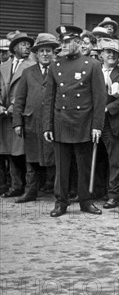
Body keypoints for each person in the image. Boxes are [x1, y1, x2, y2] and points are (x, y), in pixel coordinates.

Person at [43, 25, 107, 217]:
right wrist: (48, 125)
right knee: (61, 167)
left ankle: (86, 201)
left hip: (83, 123)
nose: (64, 45)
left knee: (84, 165)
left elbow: (99, 98)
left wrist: (97, 126)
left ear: (78, 43)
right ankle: (61, 202)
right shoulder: (56, 65)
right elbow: (50, 98)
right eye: (62, 42)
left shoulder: (92, 65)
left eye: (67, 42)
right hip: (61, 122)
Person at [11, 33, 59, 203]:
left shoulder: (58, 70)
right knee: (31, 159)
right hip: (31, 122)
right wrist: (17, 122)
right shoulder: (28, 72)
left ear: (54, 53)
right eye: (42, 51)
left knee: (55, 158)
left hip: (53, 122)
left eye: (49, 51)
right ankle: (30, 192)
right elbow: (20, 99)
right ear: (36, 54)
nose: (45, 54)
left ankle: (58, 192)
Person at [97, 40, 119, 209]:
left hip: (114, 123)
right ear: (100, 55)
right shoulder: (94, 71)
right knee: (96, 159)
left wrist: (106, 108)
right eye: (107, 52)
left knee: (115, 160)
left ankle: (113, 195)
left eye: (114, 53)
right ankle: (94, 191)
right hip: (94, 123)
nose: (111, 55)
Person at [0, 31, 35, 199]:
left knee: (24, 153)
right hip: (4, 116)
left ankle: (29, 189)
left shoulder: (32, 66)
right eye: (23, 44)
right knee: (9, 152)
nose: (27, 47)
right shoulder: (3, 65)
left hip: (21, 114)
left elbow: (29, 92)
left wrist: (13, 108)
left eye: (29, 45)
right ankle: (16, 186)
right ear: (14, 48)